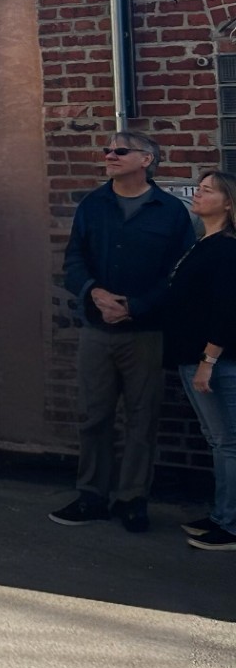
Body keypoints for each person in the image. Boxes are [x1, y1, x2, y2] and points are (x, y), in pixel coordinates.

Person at [52, 130, 195, 532]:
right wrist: (94, 293)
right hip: (97, 330)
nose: (109, 155)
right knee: (93, 415)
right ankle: (91, 495)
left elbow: (179, 272)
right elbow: (74, 259)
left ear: (147, 160)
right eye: (107, 150)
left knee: (142, 418)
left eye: (120, 150)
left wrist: (135, 305)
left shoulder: (169, 211)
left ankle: (132, 499)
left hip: (146, 332)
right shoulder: (93, 205)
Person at [153, 170, 236, 551]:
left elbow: (227, 309)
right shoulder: (204, 243)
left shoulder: (227, 248)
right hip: (193, 358)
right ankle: (222, 514)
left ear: (229, 203)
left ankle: (230, 524)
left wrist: (209, 359)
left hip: (217, 362)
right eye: (198, 189)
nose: (198, 195)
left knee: (228, 441)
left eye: (208, 191)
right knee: (218, 440)